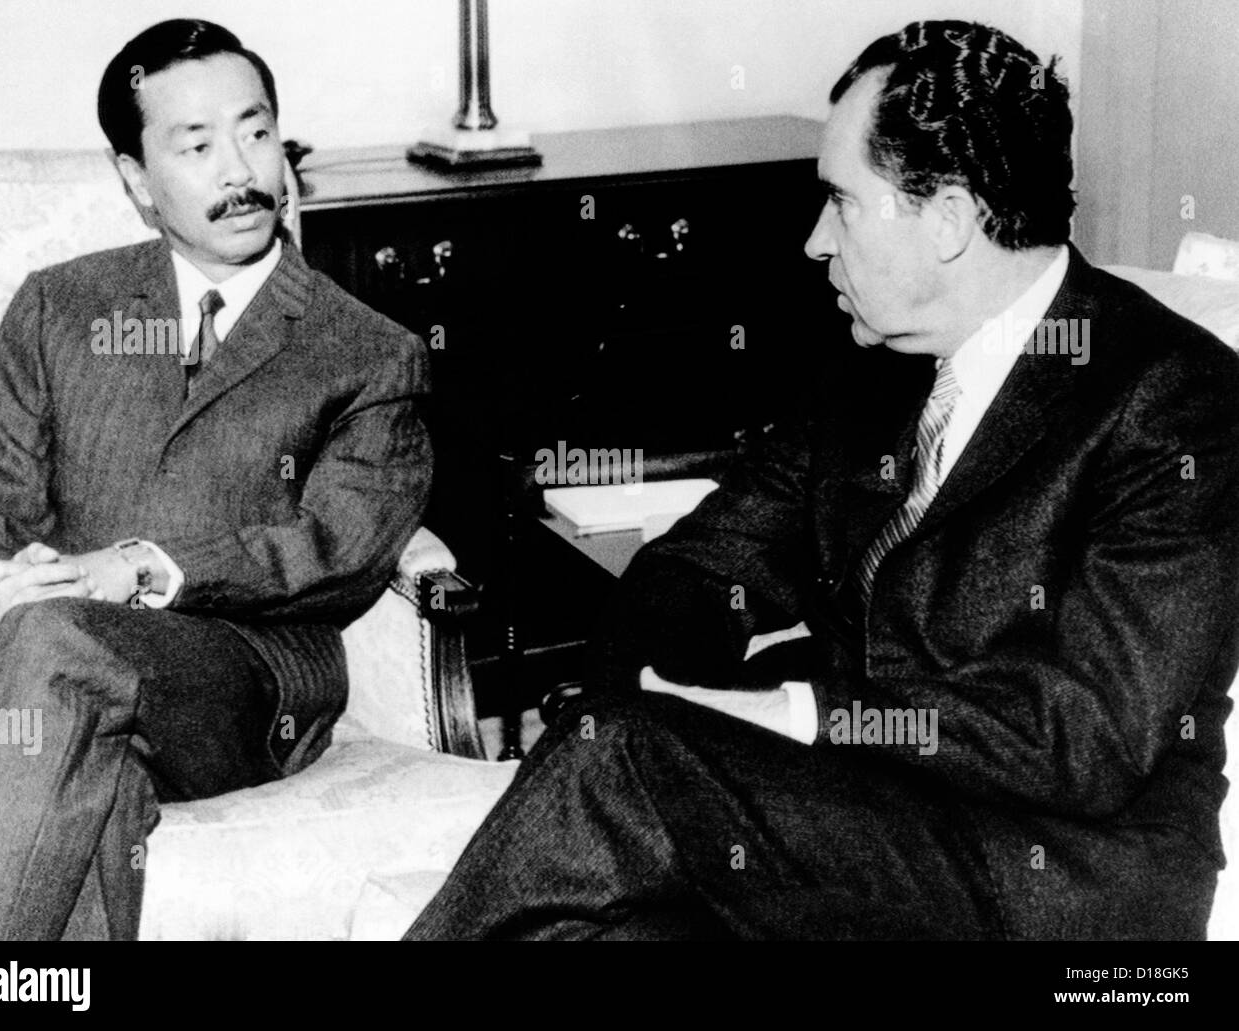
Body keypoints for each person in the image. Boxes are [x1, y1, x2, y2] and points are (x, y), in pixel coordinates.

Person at [405, 20, 1239, 940]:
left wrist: (801, 712)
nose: (812, 241)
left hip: (1056, 877)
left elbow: (1085, 736)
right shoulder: (869, 369)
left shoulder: (1172, 400)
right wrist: (641, 686)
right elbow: (703, 563)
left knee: (620, 765)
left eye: (840, 202)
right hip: (862, 825)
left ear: (951, 219)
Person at [0, 19, 431, 940]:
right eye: (196, 145)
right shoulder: (59, 307)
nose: (239, 168)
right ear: (136, 181)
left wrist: (144, 566)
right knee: (83, 772)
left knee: (49, 652)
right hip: (61, 681)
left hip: (246, 681)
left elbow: (341, 548)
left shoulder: (367, 351)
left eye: (255, 130)